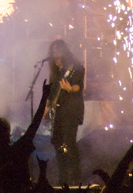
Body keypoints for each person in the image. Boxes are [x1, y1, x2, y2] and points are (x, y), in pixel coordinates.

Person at [47, 38, 85, 186]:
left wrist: (70, 89)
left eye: (57, 51)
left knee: (69, 142)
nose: (55, 56)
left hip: (71, 111)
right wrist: (46, 106)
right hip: (58, 112)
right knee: (57, 142)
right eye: (53, 52)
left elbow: (78, 86)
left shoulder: (75, 68)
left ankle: (76, 176)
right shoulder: (55, 72)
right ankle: (63, 176)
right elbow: (52, 92)